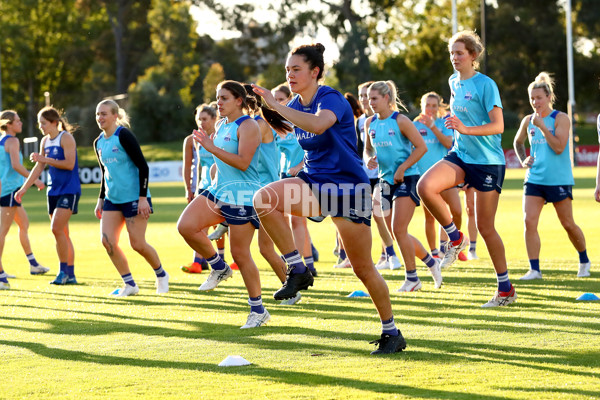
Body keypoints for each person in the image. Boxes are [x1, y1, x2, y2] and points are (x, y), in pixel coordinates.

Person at [252, 43, 406, 354]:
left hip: (348, 189)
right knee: (264, 199)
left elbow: (319, 124)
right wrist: (260, 104)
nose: (290, 74)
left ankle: (392, 331)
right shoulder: (296, 103)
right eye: (287, 69)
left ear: (315, 72)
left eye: (296, 69)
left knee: (363, 268)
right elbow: (287, 124)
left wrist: (274, 103)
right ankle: (298, 268)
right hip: (315, 183)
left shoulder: (330, 98)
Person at [416, 30, 517, 307]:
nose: (454, 58)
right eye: (452, 53)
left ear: (473, 56)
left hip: (488, 162)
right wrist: (453, 124)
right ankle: (455, 236)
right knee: (425, 187)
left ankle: (505, 289)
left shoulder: (487, 85)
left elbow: (499, 126)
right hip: (460, 155)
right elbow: (459, 117)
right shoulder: (453, 82)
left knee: (486, 228)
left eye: (460, 53)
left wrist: (465, 128)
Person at [177, 80, 270, 329]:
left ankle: (258, 310)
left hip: (242, 195)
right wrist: (213, 167)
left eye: (224, 98)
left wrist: (210, 147)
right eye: (217, 98)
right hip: (219, 191)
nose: (219, 102)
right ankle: (219, 267)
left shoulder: (249, 125)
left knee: (241, 254)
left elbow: (242, 162)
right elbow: (223, 161)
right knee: (185, 226)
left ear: (239, 100)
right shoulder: (221, 124)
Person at [364, 81, 442, 292]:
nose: (370, 103)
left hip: (407, 178)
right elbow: (368, 150)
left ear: (387, 98)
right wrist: (370, 158)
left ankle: (412, 279)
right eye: (368, 99)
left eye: (374, 99)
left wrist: (403, 168)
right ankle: (430, 262)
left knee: (399, 229)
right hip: (384, 181)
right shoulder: (369, 123)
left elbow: (421, 147)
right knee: (396, 232)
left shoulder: (401, 121)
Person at [513, 72, 591, 279]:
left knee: (567, 224)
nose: (535, 102)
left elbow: (558, 147)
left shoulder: (561, 118)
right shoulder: (528, 120)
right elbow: (518, 142)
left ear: (548, 97)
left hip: (558, 179)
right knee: (529, 221)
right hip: (534, 179)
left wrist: (543, 128)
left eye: (539, 97)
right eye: (532, 98)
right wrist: (523, 160)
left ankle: (584, 260)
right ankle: (534, 269)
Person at [93, 99, 169, 297]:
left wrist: (143, 198)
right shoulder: (98, 142)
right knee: (107, 241)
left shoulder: (124, 135)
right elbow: (104, 172)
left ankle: (161, 275)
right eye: (98, 114)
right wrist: (100, 198)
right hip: (112, 199)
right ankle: (129, 284)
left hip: (135, 198)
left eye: (104, 114)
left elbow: (143, 166)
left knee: (137, 244)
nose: (100, 117)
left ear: (115, 116)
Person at [16, 107, 81, 285]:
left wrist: (44, 159)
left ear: (54, 122)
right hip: (53, 191)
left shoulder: (66, 138)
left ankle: (63, 272)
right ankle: (71, 274)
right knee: (63, 233)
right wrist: (23, 188)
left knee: (56, 229)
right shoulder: (45, 141)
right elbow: (38, 168)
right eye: (39, 123)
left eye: (43, 123)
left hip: (69, 189)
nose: (41, 127)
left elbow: (69, 164)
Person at [272, 83, 319, 280]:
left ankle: (305, 266)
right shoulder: (275, 124)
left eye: (279, 99)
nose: (275, 103)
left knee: (298, 222)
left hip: (301, 175)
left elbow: (314, 146)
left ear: (289, 99)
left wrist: (300, 165)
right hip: (284, 175)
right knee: (285, 223)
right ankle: (301, 263)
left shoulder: (300, 120)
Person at [357, 82, 402, 271]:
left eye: (367, 96)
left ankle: (393, 255)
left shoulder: (395, 120)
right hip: (370, 175)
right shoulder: (362, 121)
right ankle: (389, 254)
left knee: (391, 220)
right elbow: (364, 149)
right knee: (377, 215)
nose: (364, 100)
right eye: (361, 96)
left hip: (391, 176)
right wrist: (367, 160)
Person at [0, 110, 49, 288]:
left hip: (7, 189)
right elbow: (15, 165)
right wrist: (34, 179)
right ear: (9, 123)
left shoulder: (2, 140)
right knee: (2, 232)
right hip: (10, 190)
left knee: (24, 224)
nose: (20, 123)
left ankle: (33, 264)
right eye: (17, 121)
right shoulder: (12, 140)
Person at [413, 92, 463, 262]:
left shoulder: (443, 123)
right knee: (430, 217)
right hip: (425, 178)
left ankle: (450, 245)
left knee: (456, 211)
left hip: (445, 176)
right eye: (428, 105)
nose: (431, 109)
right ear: (422, 106)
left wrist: (433, 126)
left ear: (439, 107)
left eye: (434, 105)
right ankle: (435, 251)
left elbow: (449, 143)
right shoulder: (414, 125)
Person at [180, 104, 218, 274]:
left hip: (219, 185)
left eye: (204, 119)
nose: (201, 123)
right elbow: (198, 166)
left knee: (220, 226)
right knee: (199, 225)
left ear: (214, 119)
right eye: (198, 119)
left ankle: (220, 259)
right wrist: (191, 189)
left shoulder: (220, 137)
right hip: (204, 186)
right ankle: (199, 261)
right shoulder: (195, 139)